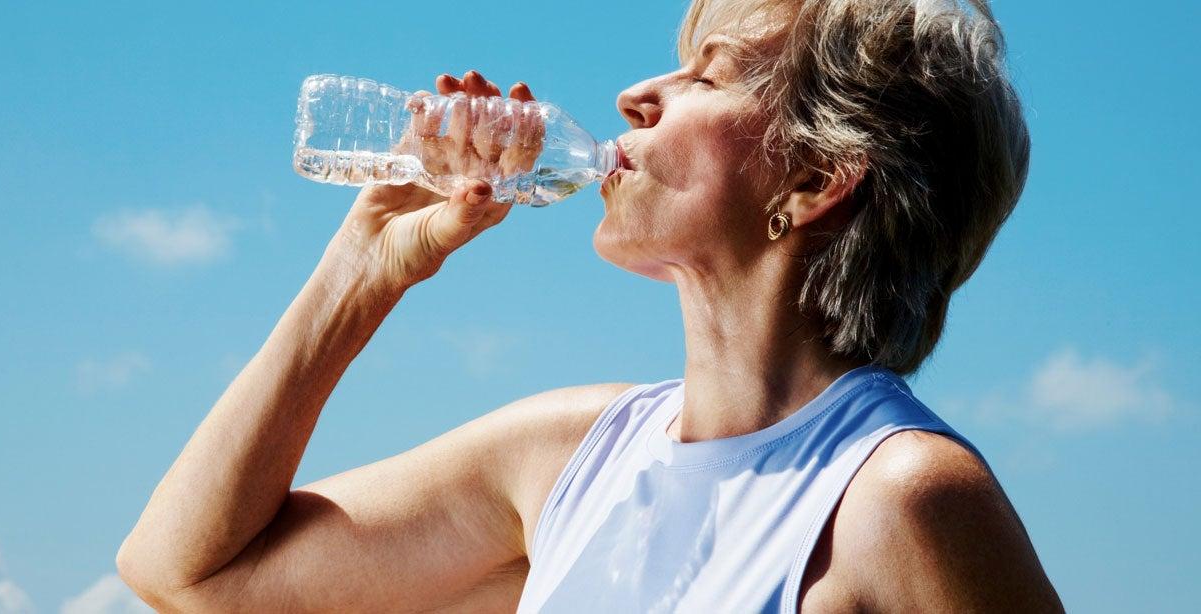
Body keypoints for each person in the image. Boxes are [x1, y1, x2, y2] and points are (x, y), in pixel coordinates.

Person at [116, 0, 1064, 611]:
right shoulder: (568, 458)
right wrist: (360, 276)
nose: (634, 96)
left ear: (818, 176)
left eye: (711, 72)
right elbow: (186, 574)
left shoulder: (900, 500)